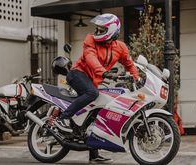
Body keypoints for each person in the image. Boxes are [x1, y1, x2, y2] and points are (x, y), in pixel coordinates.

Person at [52, 13, 140, 163]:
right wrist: (104, 73)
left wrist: (136, 77)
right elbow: (90, 58)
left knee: (98, 111)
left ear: (112, 30)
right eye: (97, 29)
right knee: (91, 93)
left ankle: (94, 155)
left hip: (92, 79)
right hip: (77, 74)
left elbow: (129, 63)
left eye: (101, 30)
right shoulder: (90, 40)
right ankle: (63, 119)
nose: (97, 32)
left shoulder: (121, 47)